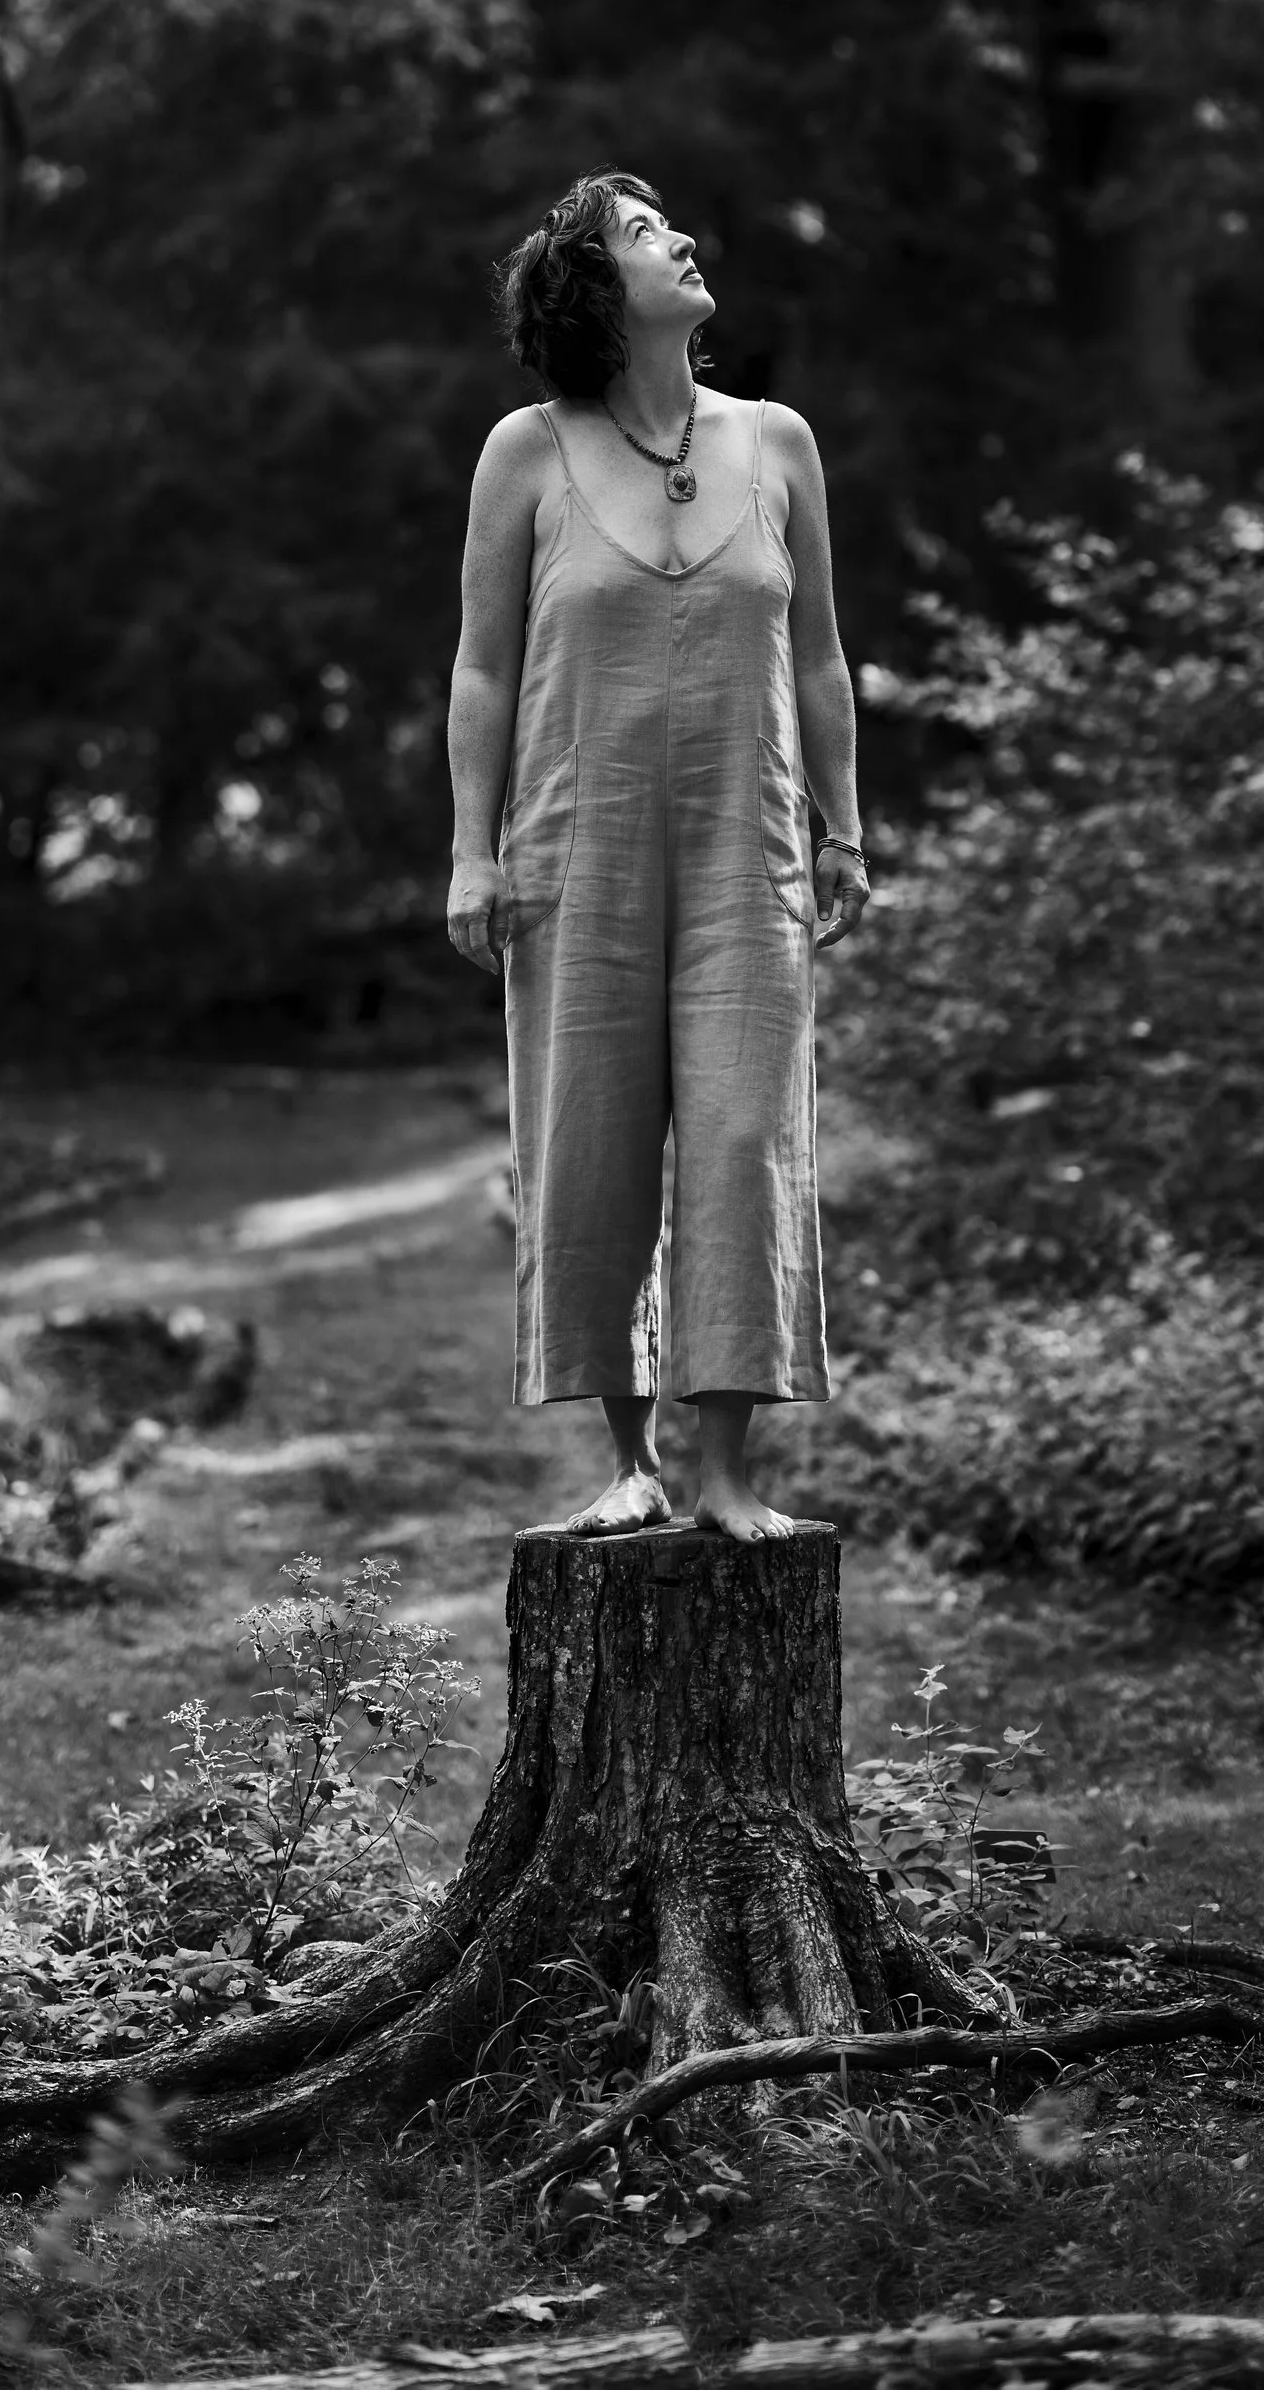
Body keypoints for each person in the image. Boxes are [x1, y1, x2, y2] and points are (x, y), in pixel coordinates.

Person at [444, 171, 871, 1540]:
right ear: (592, 291)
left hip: (752, 848)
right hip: (576, 844)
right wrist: (469, 850)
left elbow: (819, 659)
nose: (680, 240)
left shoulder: (780, 443)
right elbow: (481, 671)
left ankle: (727, 1473)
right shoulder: (526, 451)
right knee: (592, 1144)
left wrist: (846, 825)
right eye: (642, 234)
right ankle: (626, 1462)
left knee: (746, 1139)